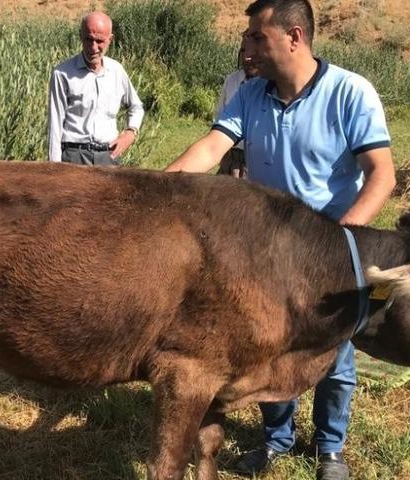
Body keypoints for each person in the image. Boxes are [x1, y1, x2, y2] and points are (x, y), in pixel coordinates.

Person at [165, 1, 396, 479]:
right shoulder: (251, 96)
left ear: (294, 37)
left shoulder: (349, 92)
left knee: (334, 357)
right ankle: (277, 438)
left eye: (256, 37)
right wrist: (154, 188)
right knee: (268, 353)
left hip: (328, 255)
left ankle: (329, 448)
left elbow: (382, 175)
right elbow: (212, 147)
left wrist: (341, 244)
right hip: (266, 256)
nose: (247, 47)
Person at [48, 11, 145, 165]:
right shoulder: (62, 73)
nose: (93, 47)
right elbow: (55, 125)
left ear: (110, 40)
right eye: (88, 39)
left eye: (99, 41)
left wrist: (130, 133)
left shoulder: (116, 71)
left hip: (108, 157)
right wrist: (54, 169)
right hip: (74, 158)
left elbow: (136, 107)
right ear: (80, 36)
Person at [215, 43, 260, 177]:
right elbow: (219, 115)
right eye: (243, 50)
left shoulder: (270, 86)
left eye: (252, 52)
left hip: (254, 161)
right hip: (230, 154)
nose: (246, 57)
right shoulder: (232, 80)